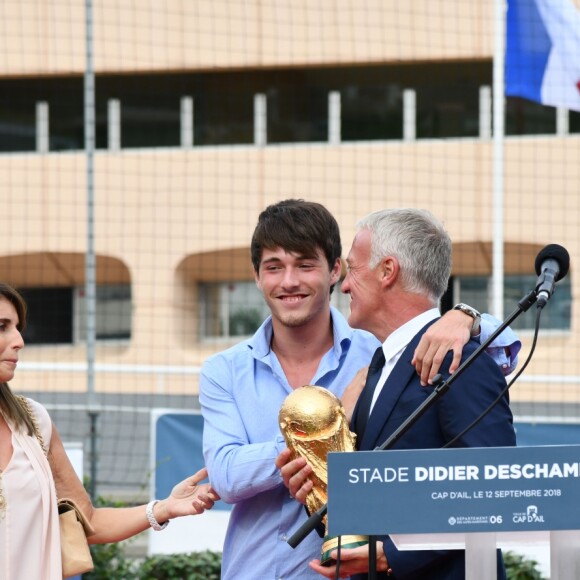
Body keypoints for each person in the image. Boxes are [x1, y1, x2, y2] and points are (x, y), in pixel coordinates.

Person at [200, 199, 520, 580]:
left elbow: (494, 492)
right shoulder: (227, 370)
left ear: (337, 270)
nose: (289, 281)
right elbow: (227, 475)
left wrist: (468, 317)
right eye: (273, 267)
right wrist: (316, 450)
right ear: (257, 275)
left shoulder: (402, 354)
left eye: (305, 265)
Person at [0, 283, 219, 579]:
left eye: (17, 327)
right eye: (2, 327)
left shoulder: (34, 421)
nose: (18, 340)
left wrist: (165, 507)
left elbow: (89, 521)